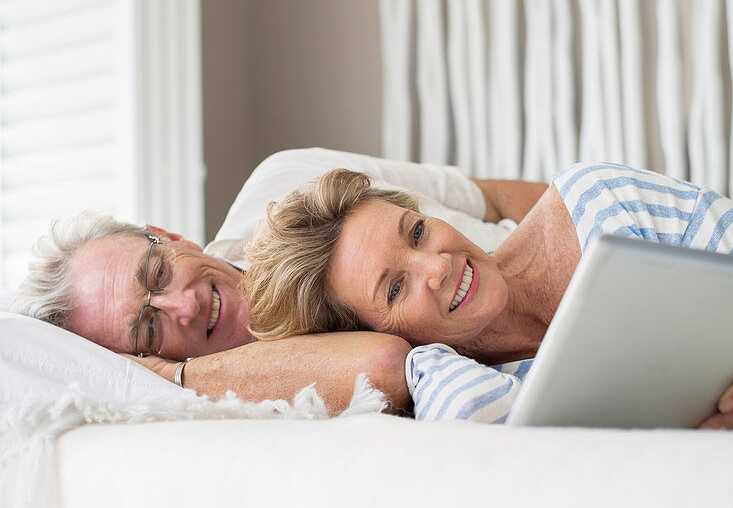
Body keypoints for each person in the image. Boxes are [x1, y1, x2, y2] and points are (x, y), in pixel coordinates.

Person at [14, 148, 536, 414]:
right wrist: (171, 379)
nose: (183, 306)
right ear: (140, 361)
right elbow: (382, 365)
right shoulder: (260, 396)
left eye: (157, 273)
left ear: (171, 237)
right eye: (149, 329)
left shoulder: (287, 178)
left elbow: (490, 198)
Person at [244, 162, 733, 430]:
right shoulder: (455, 388)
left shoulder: (598, 201)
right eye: (395, 288)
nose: (438, 266)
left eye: (416, 232)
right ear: (368, 334)